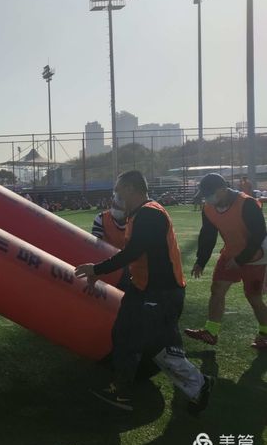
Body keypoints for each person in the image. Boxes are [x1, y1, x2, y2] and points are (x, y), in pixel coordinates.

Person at [75, 170, 214, 413]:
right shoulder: (138, 214)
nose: (116, 196)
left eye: (118, 191)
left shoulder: (150, 213)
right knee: (123, 335)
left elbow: (133, 252)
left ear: (130, 189)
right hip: (143, 288)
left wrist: (97, 269)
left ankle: (198, 384)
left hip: (161, 293)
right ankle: (122, 390)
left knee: (159, 348)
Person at [185, 173, 267, 350]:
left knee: (253, 297)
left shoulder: (247, 203)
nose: (207, 199)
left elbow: (259, 234)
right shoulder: (209, 208)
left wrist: (241, 259)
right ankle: (211, 332)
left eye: (210, 194)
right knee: (217, 289)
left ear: (223, 189)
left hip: (255, 255)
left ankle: (265, 334)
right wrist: (201, 260)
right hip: (230, 253)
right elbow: (208, 235)